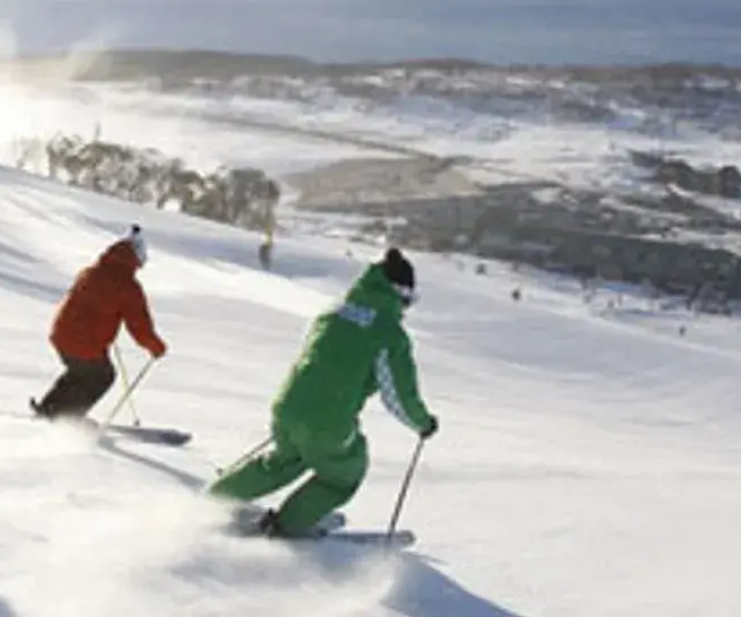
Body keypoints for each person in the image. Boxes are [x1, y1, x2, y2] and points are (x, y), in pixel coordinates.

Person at [208, 247, 438, 538]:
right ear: (400, 293)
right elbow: (399, 398)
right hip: (330, 422)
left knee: (283, 460)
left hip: (288, 405)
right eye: (409, 300)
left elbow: (315, 358)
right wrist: (424, 424)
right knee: (345, 473)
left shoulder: (332, 312)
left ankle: (211, 502)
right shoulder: (389, 333)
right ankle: (285, 524)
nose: (407, 308)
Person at [31, 225, 167, 422]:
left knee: (80, 373)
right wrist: (156, 347)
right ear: (136, 258)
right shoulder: (128, 286)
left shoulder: (91, 271)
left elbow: (88, 303)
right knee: (102, 376)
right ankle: (67, 419)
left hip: (60, 334)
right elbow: (140, 327)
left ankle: (49, 409)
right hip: (84, 342)